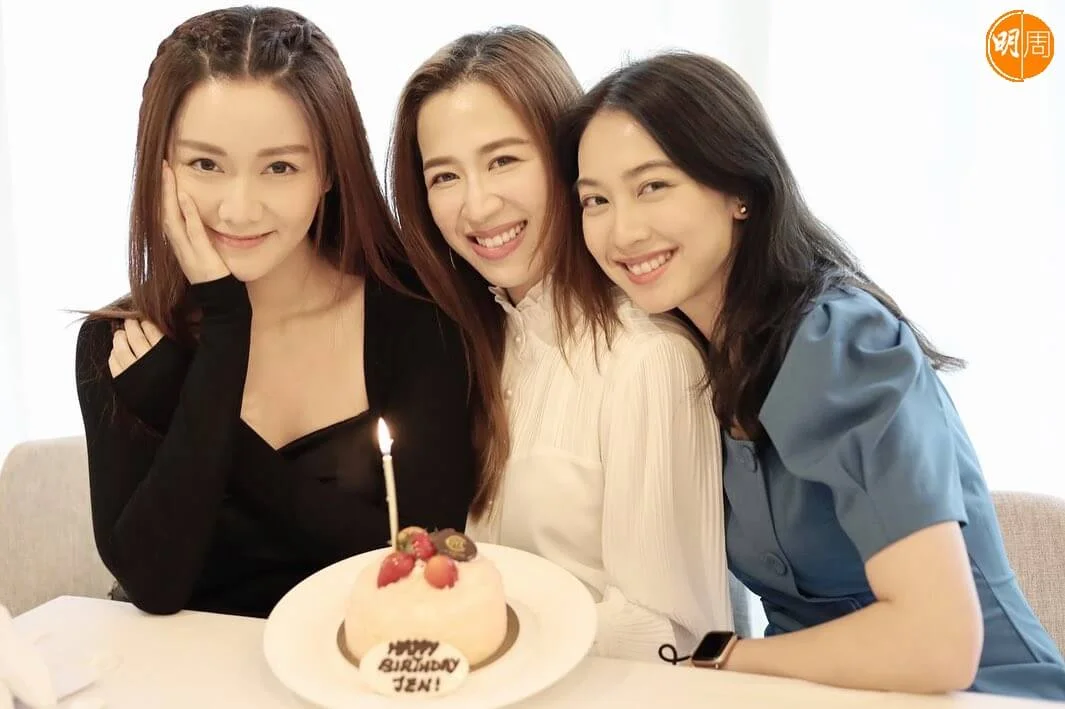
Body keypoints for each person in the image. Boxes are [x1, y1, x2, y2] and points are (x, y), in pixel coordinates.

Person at [559, 50, 1065, 698]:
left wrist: (723, 659)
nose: (622, 230)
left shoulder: (841, 342)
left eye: (653, 186)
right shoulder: (684, 360)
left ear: (740, 191)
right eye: (595, 200)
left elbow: (937, 644)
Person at [74, 6, 478, 618]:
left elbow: (419, 559)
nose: (239, 209)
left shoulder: (416, 322)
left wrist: (187, 403)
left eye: (280, 167)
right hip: (178, 665)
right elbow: (154, 585)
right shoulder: (121, 345)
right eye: (206, 164)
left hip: (360, 660)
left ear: (329, 171)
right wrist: (224, 334)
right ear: (160, 168)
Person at [386, 26, 732, 661]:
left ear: (566, 158)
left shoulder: (649, 359)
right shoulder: (470, 341)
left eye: (503, 160)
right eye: (445, 176)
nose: (477, 206)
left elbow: (676, 635)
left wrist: (482, 632)